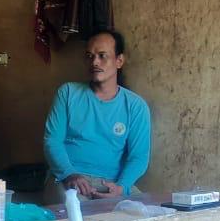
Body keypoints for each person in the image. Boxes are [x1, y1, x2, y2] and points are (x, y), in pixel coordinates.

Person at [44, 29, 151, 199]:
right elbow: (52, 141)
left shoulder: (136, 106)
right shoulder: (68, 93)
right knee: (75, 211)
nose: (94, 62)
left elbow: (139, 157)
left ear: (119, 61)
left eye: (102, 56)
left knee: (145, 211)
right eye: (89, 56)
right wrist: (69, 174)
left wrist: (121, 187)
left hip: (112, 183)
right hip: (69, 179)